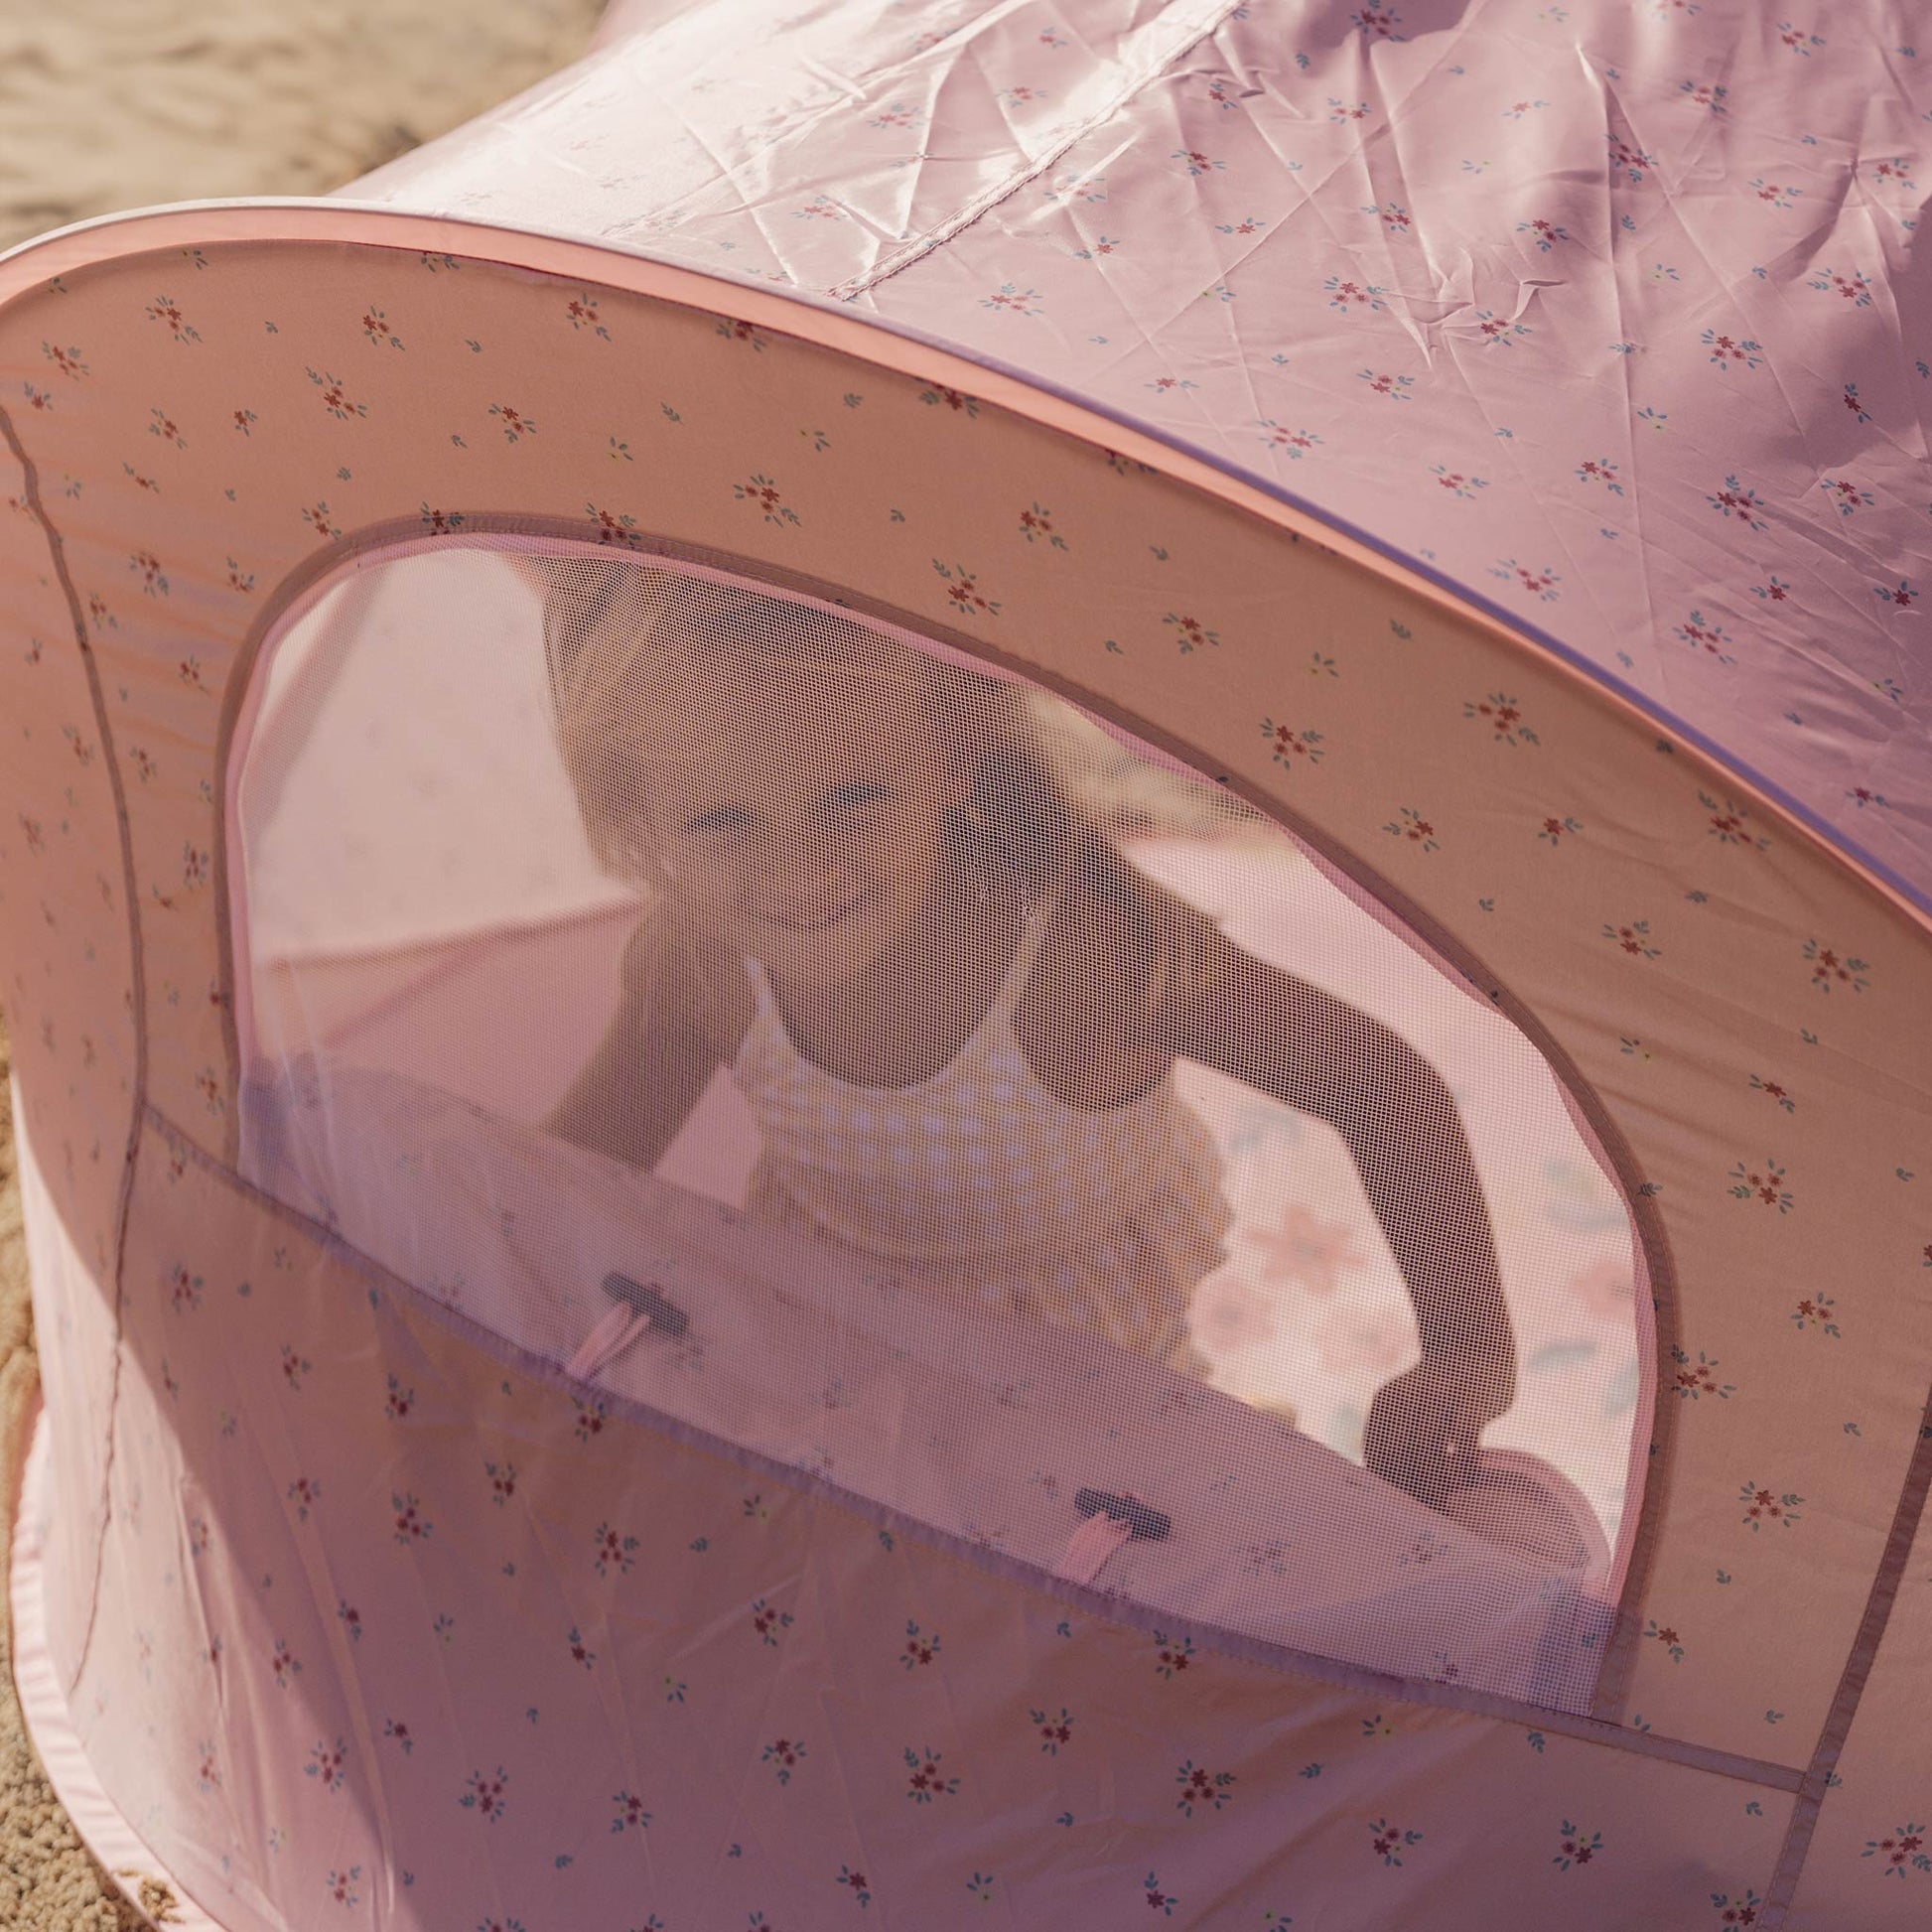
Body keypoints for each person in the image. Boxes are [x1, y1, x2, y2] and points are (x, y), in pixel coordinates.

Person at [521, 554, 1517, 1514]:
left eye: (852, 796)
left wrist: (1466, 1349)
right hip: (850, 1342)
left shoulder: (1081, 960)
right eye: (722, 821)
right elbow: (569, 1175)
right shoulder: (696, 957)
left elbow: (1380, 1086)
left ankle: (1204, 1426)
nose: (797, 869)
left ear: (949, 751)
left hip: (1096, 1362)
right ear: (642, 818)